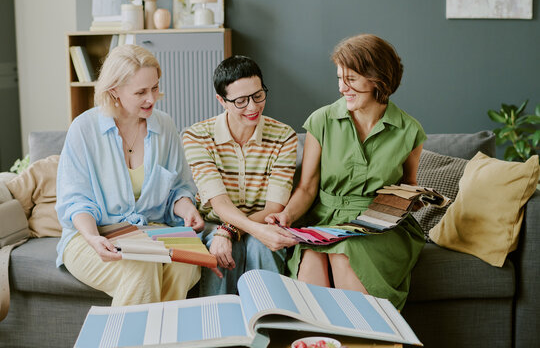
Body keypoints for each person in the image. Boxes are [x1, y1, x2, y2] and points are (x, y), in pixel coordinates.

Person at [266, 34, 426, 310]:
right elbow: (306, 188)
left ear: (378, 79)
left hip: (377, 227)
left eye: (350, 79)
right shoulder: (321, 120)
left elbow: (408, 184)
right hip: (325, 219)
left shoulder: (409, 130)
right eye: (339, 78)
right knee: (313, 259)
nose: (342, 88)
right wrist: (286, 215)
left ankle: (362, 334)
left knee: (345, 252)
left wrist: (413, 198)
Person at [55, 44, 205, 306]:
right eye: (141, 92)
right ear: (114, 90)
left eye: (155, 88)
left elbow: (178, 189)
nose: (152, 99)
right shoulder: (84, 129)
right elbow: (76, 200)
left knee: (185, 266)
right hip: (92, 234)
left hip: (151, 231)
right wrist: (92, 237)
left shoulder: (165, 126)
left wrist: (187, 208)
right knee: (142, 269)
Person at [182, 55, 298, 296]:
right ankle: (218, 325)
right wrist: (225, 231)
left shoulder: (284, 136)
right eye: (241, 101)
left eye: (258, 96)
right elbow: (219, 203)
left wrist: (231, 231)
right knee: (222, 248)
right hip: (215, 222)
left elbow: (274, 207)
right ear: (222, 101)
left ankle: (269, 326)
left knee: (262, 247)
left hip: (264, 221)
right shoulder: (196, 136)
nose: (253, 107)